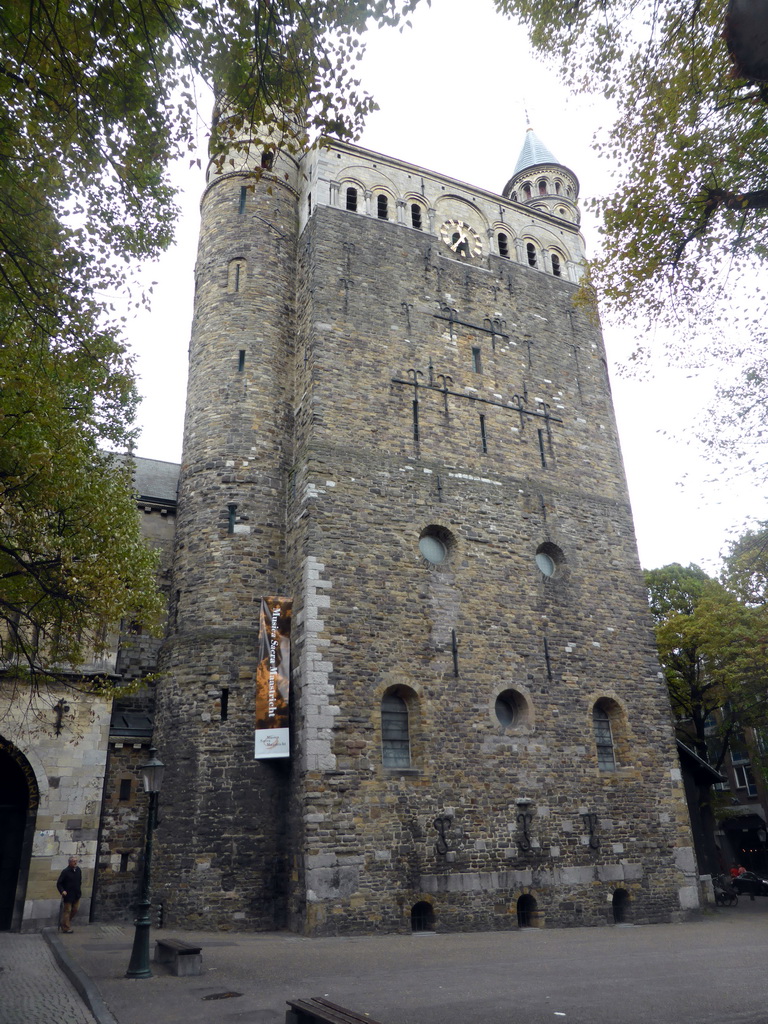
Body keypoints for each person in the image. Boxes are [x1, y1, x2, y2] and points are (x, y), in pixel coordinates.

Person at [56, 856, 82, 933]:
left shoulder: (78, 870)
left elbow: (79, 881)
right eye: (73, 861)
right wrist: (62, 891)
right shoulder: (65, 871)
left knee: (75, 910)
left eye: (76, 861)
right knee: (67, 910)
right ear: (69, 862)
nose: (75, 862)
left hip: (76, 894)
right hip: (68, 895)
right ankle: (66, 927)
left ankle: (64, 922)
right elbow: (59, 883)